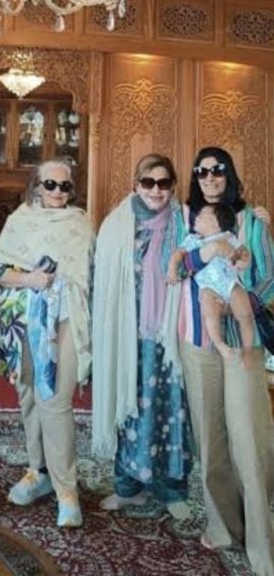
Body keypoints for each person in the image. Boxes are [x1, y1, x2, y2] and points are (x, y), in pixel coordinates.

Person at [176, 147, 274, 575]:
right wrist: (209, 251)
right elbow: (176, 268)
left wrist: (240, 298)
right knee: (210, 440)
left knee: (249, 440)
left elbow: (269, 279)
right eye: (202, 172)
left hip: (242, 343)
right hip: (199, 342)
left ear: (228, 174)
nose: (210, 178)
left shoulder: (251, 220)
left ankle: (262, 544)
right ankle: (222, 527)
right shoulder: (186, 219)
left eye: (217, 171)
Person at [92, 153, 194, 521]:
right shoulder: (116, 224)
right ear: (136, 185)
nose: (156, 190)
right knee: (129, 408)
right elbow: (100, 280)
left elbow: (225, 229)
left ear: (173, 187)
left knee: (171, 410)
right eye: (148, 182)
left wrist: (255, 218)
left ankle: (172, 490)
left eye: (164, 183)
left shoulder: (185, 222)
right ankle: (128, 488)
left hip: (170, 338)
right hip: (127, 338)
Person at [0, 160, 94, 528]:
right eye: (50, 184)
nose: (57, 192)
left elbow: (88, 275)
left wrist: (57, 284)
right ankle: (39, 471)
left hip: (64, 319)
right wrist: (30, 279)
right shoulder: (18, 220)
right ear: (37, 186)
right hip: (23, 321)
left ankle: (67, 491)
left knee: (54, 399)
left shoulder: (80, 224)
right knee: (29, 395)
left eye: (64, 186)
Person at [167, 203, 255, 361]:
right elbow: (177, 255)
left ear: (217, 222)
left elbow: (244, 256)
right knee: (210, 313)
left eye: (202, 215)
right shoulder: (193, 240)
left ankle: (248, 350)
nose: (197, 217)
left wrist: (242, 261)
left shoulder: (228, 237)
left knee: (246, 315)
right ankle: (220, 345)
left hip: (230, 283)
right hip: (209, 288)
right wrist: (172, 269)